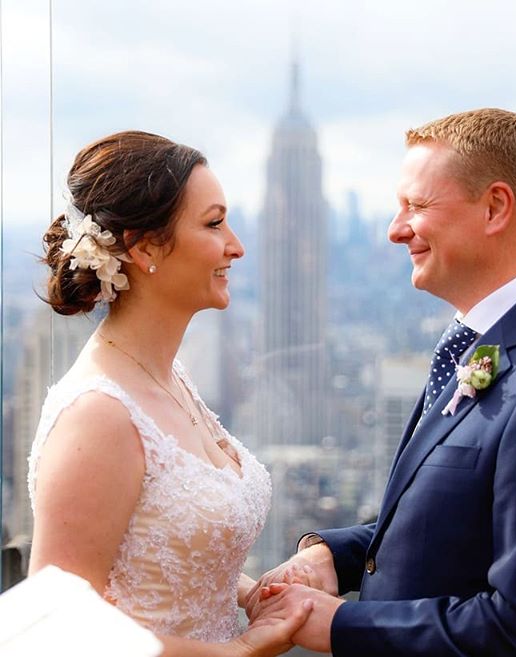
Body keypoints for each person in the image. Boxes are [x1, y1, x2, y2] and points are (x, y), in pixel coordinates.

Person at [246, 108, 516, 656]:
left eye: (417, 205)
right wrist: (331, 555)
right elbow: (444, 524)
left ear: (495, 208)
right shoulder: (491, 343)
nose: (394, 229)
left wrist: (340, 627)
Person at [27, 130, 314, 657]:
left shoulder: (169, 376)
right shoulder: (100, 414)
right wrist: (239, 651)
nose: (237, 245)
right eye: (214, 223)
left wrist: (254, 594)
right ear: (143, 247)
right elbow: (54, 628)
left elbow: (162, 556)